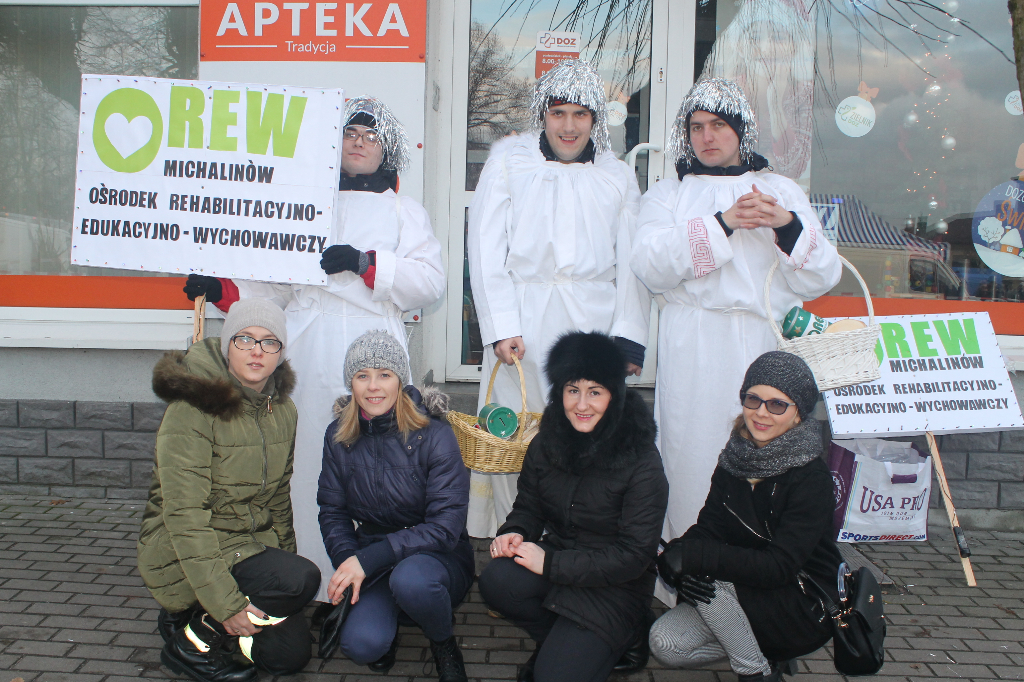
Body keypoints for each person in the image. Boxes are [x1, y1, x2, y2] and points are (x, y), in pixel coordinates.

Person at [182, 96, 445, 602]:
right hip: (306, 341)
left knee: (379, 463)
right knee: (305, 460)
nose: (360, 143)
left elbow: (429, 282)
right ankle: (308, 579)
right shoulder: (303, 204)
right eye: (350, 134)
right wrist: (220, 291)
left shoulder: (404, 211)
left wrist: (367, 263)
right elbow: (272, 287)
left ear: (386, 148)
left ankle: (373, 582)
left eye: (370, 136)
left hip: (372, 346)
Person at [629, 78, 841, 552]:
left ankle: (759, 578)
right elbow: (651, 266)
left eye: (719, 126)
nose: (708, 137)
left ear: (741, 130)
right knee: (689, 457)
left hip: (762, 342)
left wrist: (786, 227)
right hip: (694, 344)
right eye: (697, 126)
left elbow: (822, 276)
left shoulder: (780, 190)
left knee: (764, 455)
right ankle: (686, 574)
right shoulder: (667, 194)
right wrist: (723, 224)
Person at [467, 59, 651, 538]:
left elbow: (632, 259)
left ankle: (577, 539)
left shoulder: (616, 176)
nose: (569, 126)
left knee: (585, 428)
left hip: (591, 322)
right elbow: (485, 246)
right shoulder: (510, 160)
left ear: (596, 120)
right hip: (523, 321)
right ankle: (513, 534)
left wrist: (627, 338)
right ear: (541, 115)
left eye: (581, 114)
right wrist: (500, 324)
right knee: (515, 433)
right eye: (558, 113)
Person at [138, 298, 320, 682]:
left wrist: (281, 587)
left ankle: (190, 619)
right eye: (245, 339)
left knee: (288, 656)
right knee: (302, 577)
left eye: (270, 342)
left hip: (245, 545)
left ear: (281, 353)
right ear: (226, 346)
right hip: (182, 546)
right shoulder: (193, 409)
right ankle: (194, 642)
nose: (257, 350)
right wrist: (227, 605)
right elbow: (185, 517)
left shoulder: (281, 411)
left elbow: (277, 498)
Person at [478, 332, 669, 682]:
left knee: (553, 676)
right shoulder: (549, 438)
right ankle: (563, 639)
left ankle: (626, 634)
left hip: (616, 585)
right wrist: (515, 531)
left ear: (614, 394)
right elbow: (529, 504)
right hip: (565, 561)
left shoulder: (640, 457)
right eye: (572, 390)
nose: (581, 405)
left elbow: (634, 554)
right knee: (497, 581)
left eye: (595, 391)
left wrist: (550, 563)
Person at [652, 351, 842, 681]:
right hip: (743, 591)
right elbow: (709, 527)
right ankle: (759, 650)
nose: (761, 413)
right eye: (753, 400)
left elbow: (779, 566)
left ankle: (755, 672)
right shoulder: (735, 458)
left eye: (777, 405)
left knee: (713, 581)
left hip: (802, 600)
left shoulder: (812, 479)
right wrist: (678, 560)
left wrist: (697, 557)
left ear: (798, 413)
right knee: (666, 643)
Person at [317, 330, 474, 682]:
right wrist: (347, 562)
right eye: (362, 376)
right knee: (361, 646)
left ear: (400, 381)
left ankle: (442, 641)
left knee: (412, 581)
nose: (373, 387)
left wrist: (367, 560)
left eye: (384, 375)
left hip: (436, 555)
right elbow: (332, 510)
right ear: (351, 384)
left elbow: (446, 526)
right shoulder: (338, 435)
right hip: (374, 550)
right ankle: (391, 618)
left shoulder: (434, 434)